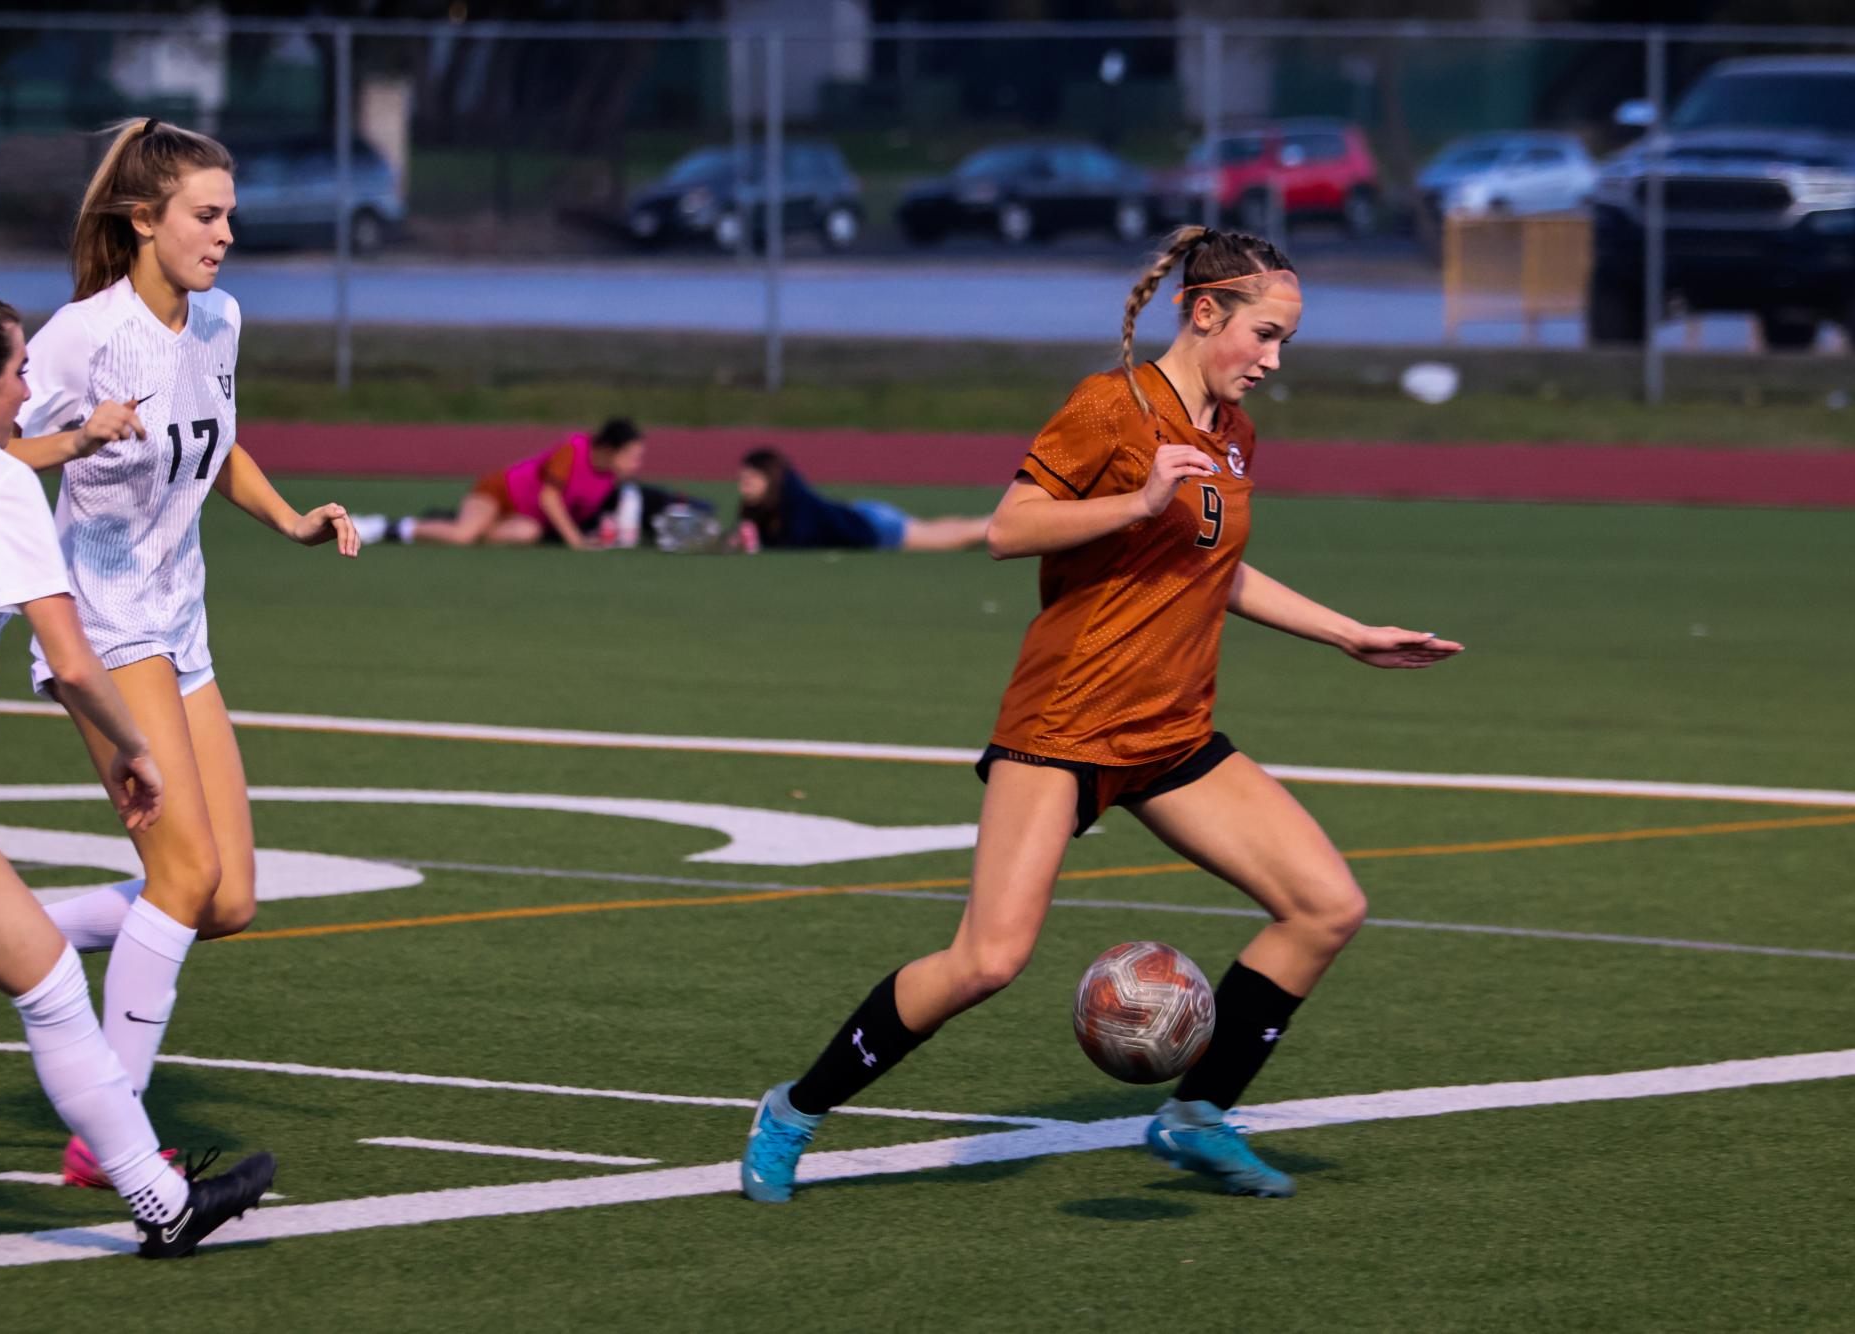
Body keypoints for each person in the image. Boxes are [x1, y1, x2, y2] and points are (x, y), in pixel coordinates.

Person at [738, 226, 1464, 1204]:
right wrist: (1136, 499)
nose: (1275, 359)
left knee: (1326, 904)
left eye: (1286, 339)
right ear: (1205, 314)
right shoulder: (1109, 407)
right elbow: (1010, 527)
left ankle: (1199, 1115)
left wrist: (1347, 633)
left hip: (1172, 732)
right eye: (1265, 333)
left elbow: (1213, 564)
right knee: (988, 958)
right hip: (1065, 724)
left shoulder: (1234, 432)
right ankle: (793, 1110)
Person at [0, 118, 361, 1191]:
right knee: (184, 872)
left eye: (229, 217)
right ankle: (110, 1127)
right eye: (206, 216)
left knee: (230, 899)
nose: (225, 235)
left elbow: (219, 441)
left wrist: (290, 518)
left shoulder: (221, 319)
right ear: (143, 220)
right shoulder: (77, 337)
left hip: (183, 620)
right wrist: (73, 438)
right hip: (104, 623)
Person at [0, 292, 275, 1256]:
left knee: (51, 981)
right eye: (19, 372)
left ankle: (162, 1203)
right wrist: (139, 752)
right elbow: (73, 661)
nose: (32, 390)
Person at [362, 417, 664, 548]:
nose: (636, 464)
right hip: (499, 493)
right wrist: (575, 541)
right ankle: (383, 527)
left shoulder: (610, 479)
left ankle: (445, 521)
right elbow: (549, 498)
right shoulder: (574, 449)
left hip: (526, 518)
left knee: (526, 534)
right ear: (609, 450)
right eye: (632, 455)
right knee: (463, 537)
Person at [734, 447, 989, 552]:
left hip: (873, 525)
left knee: (939, 539)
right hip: (863, 513)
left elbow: (799, 538)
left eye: (750, 480)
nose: (743, 487)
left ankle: (991, 526)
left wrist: (759, 543)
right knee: (930, 528)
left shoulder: (797, 505)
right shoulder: (763, 507)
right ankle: (985, 524)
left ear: (771, 479)